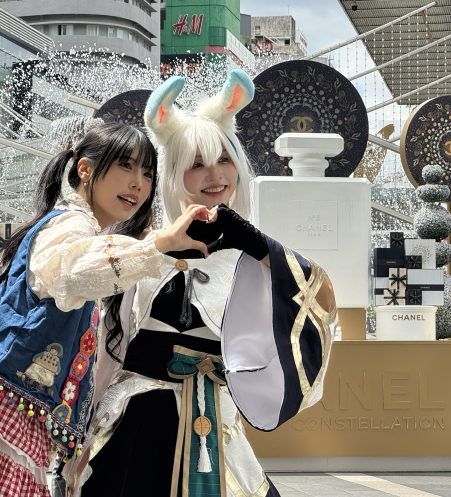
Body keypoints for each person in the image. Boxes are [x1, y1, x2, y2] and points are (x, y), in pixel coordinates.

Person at [0, 123, 215, 497]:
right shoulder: (71, 223)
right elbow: (72, 274)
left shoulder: (83, 230)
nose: (138, 184)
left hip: (5, 408)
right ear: (85, 169)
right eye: (126, 166)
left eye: (147, 174)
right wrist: (157, 246)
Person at [69, 71, 338, 497]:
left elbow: (318, 303)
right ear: (173, 173)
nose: (214, 175)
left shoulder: (258, 256)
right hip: (134, 422)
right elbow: (101, 338)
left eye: (224, 161)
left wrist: (259, 246)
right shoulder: (142, 246)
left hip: (214, 423)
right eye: (196, 165)